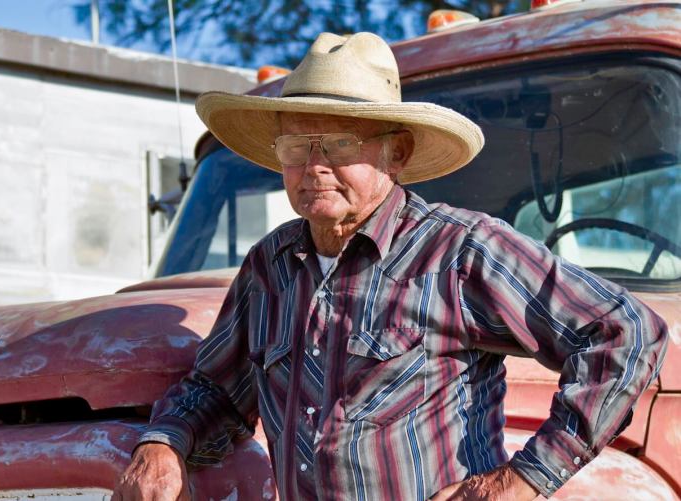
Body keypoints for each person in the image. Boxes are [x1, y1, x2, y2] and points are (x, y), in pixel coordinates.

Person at [113, 32, 667, 500]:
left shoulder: (461, 251)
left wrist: (521, 479)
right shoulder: (270, 266)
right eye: (295, 147)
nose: (314, 167)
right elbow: (216, 388)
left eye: (337, 143)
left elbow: (626, 333)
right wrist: (165, 440)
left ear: (395, 154)